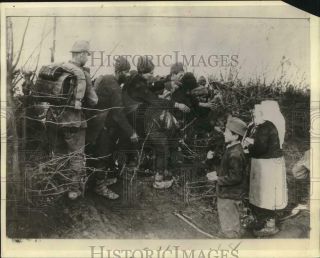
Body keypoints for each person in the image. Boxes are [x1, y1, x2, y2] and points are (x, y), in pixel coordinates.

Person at [122, 56, 190, 189]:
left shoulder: (137, 79)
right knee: (161, 142)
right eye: (150, 73)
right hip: (135, 117)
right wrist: (176, 104)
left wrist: (168, 80)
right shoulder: (139, 85)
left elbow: (152, 86)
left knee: (156, 142)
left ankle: (144, 170)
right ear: (142, 72)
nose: (152, 75)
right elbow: (154, 100)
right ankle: (158, 179)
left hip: (135, 114)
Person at [46, 40, 98, 200]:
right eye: (86, 55)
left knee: (59, 153)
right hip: (73, 122)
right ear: (81, 54)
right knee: (76, 156)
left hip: (53, 119)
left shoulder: (58, 69)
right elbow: (94, 101)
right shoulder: (83, 75)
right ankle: (73, 190)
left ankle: (58, 186)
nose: (87, 58)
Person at [87, 56, 138, 199]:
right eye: (126, 72)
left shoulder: (106, 78)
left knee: (96, 153)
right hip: (102, 125)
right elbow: (118, 114)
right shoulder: (114, 87)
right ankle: (99, 187)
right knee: (103, 154)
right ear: (119, 71)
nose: (128, 75)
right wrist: (131, 132)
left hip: (94, 122)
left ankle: (95, 180)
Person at [243, 100, 287, 237]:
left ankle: (269, 225)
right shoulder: (272, 124)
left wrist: (247, 150)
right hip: (269, 163)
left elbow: (260, 147)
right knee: (266, 194)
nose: (257, 112)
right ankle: (262, 220)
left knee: (266, 194)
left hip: (267, 164)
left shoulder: (267, 126)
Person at [207, 116, 248, 238]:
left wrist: (217, 179)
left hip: (229, 194)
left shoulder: (235, 154)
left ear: (235, 136)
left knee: (229, 217)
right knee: (228, 217)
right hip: (228, 193)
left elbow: (235, 177)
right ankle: (229, 233)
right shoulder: (232, 149)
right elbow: (228, 170)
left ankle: (231, 238)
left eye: (226, 131)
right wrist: (217, 172)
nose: (224, 133)